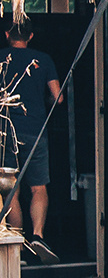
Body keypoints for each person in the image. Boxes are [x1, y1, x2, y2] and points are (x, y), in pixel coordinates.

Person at [2, 21, 62, 263]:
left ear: (7, 35)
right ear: (31, 36)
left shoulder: (1, 59)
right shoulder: (43, 59)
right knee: (38, 187)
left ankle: (17, 242)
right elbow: (57, 98)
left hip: (5, 131)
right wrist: (42, 102)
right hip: (35, 130)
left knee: (10, 189)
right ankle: (38, 235)